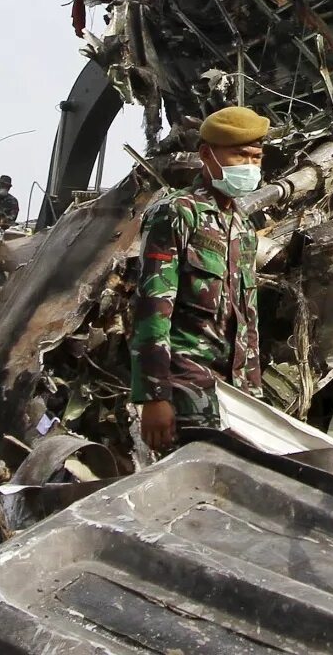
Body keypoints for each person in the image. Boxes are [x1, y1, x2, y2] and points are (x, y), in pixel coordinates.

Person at [131, 106, 271, 452]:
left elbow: (247, 320)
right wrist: (154, 396)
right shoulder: (177, 213)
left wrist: (255, 395)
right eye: (240, 155)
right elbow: (153, 306)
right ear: (207, 155)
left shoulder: (244, 228)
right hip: (187, 390)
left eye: (256, 158)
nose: (250, 166)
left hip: (238, 397)